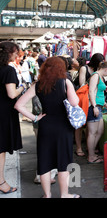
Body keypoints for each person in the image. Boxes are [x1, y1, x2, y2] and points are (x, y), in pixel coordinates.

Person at [15, 57, 81, 198]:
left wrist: (35, 118)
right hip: (63, 127)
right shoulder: (65, 82)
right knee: (63, 162)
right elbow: (74, 103)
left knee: (44, 162)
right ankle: (64, 195)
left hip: (45, 126)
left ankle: (47, 195)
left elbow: (18, 105)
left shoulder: (38, 84)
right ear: (62, 68)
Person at [0, 42, 25, 195]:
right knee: (0, 149)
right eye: (16, 51)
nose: (18, 54)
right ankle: (1, 182)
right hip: (3, 114)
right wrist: (22, 87)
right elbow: (12, 94)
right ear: (9, 53)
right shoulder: (8, 70)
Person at [86, 61, 107, 164]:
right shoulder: (95, 76)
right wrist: (94, 106)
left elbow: (98, 93)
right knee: (92, 133)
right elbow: (91, 92)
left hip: (98, 106)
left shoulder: (100, 77)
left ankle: (92, 151)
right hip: (93, 107)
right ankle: (91, 156)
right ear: (106, 69)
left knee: (99, 131)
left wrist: (105, 104)